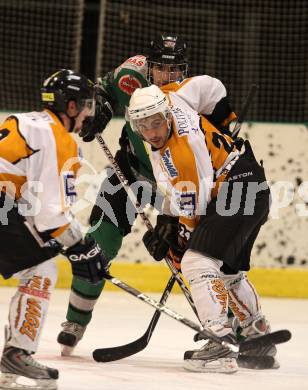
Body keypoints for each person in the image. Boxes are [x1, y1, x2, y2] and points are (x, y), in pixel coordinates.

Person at [57, 33, 237, 355]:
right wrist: (97, 109)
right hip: (129, 170)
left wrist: (175, 219)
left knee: (190, 256)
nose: (169, 78)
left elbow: (205, 157)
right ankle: (76, 320)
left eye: (176, 70)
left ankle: (226, 326)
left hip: (174, 184)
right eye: (161, 70)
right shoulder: (132, 75)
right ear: (149, 66)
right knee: (99, 242)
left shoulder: (190, 97)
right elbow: (100, 91)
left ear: (186, 69)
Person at [126, 84, 277, 373]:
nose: (152, 131)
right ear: (135, 125)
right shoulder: (173, 101)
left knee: (197, 260)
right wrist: (166, 223)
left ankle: (219, 341)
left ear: (167, 116)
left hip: (238, 189)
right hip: (250, 185)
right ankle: (257, 334)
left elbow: (196, 205)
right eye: (143, 126)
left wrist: (179, 237)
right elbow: (208, 84)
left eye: (156, 122)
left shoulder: (183, 149)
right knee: (225, 269)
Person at [0, 69, 108, 390]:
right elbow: (51, 216)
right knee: (41, 267)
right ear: (71, 107)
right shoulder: (57, 138)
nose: (89, 112)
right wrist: (84, 249)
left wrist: (71, 243)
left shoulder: (28, 123)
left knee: (40, 257)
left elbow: (34, 212)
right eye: (85, 105)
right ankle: (17, 354)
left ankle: (11, 363)